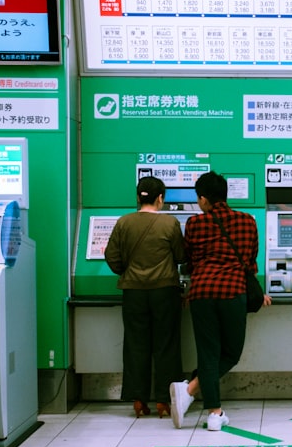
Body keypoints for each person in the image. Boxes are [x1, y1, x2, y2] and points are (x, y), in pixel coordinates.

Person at [169, 171, 271, 431]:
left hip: (201, 293)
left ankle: (199, 398)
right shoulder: (247, 221)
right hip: (233, 293)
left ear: (203, 199)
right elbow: (249, 261)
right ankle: (208, 407)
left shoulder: (194, 223)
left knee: (208, 353)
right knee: (231, 353)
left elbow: (189, 262)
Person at [105, 176, 186, 418]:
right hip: (164, 292)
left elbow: (112, 257)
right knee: (166, 346)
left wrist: (127, 271)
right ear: (160, 198)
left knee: (135, 345)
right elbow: (181, 256)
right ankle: (164, 401)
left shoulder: (124, 223)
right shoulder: (170, 224)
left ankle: (139, 400)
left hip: (133, 293)